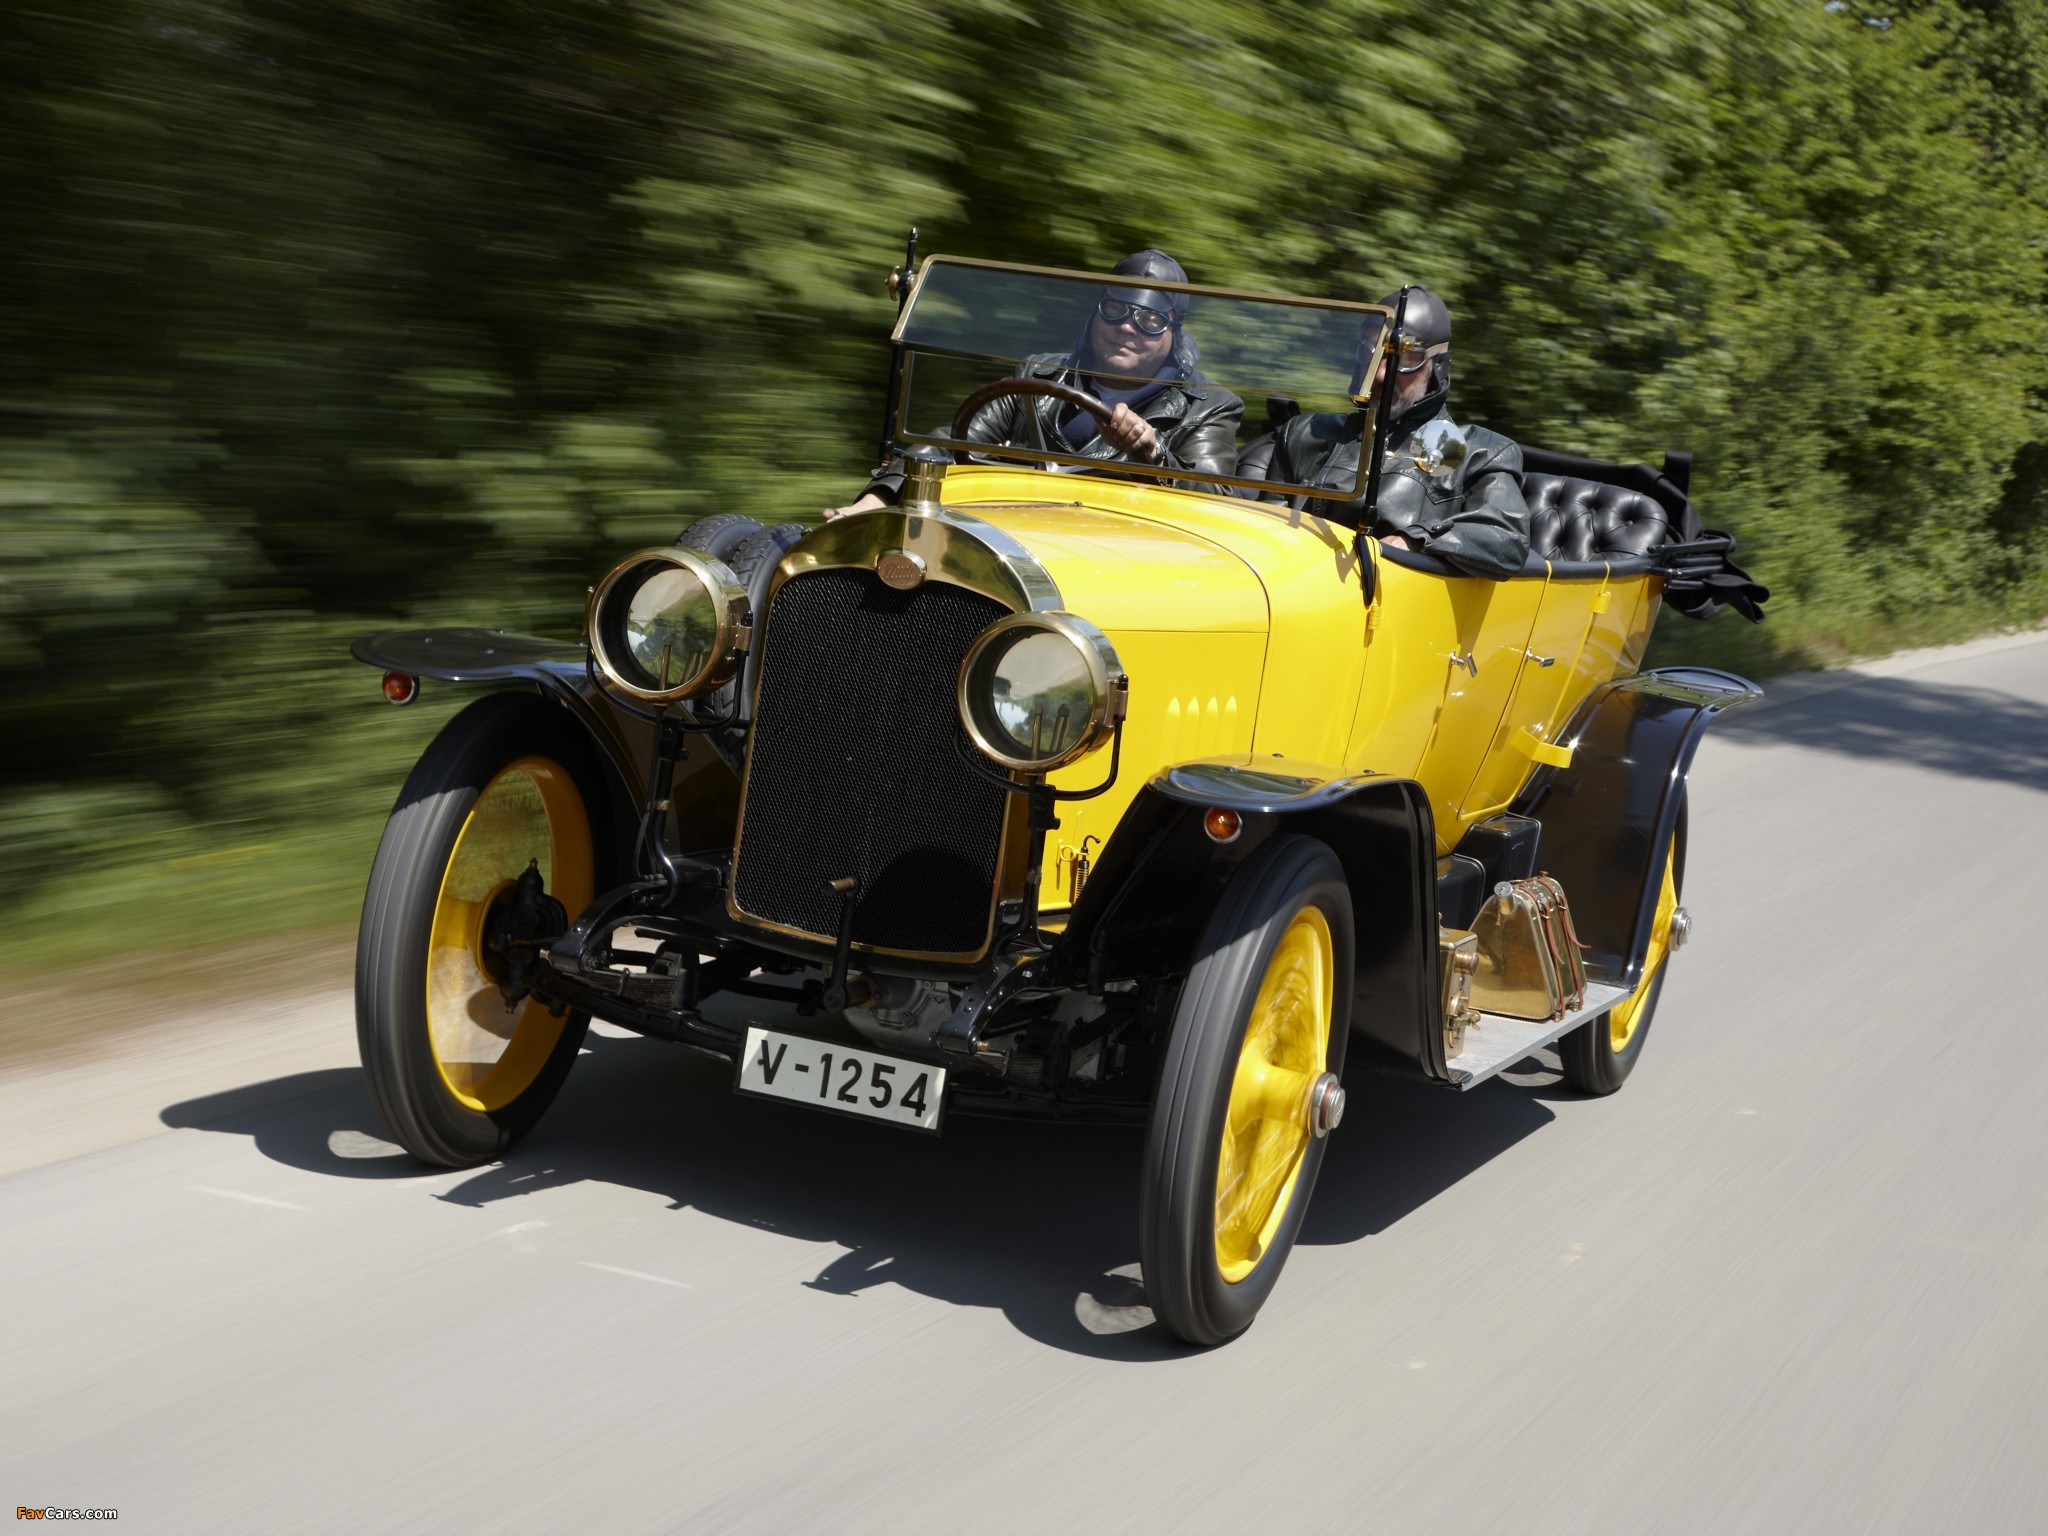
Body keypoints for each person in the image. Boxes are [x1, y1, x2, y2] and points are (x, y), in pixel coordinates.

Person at [828, 250, 1243, 517]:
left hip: (1127, 556)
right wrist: (878, 498)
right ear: (1095, 315)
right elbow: (952, 444)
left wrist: (1152, 455)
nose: (1127, 328)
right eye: (1115, 310)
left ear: (1173, 333)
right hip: (1017, 534)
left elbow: (1215, 502)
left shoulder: (1209, 406)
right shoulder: (1038, 374)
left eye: (1150, 320)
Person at [1263, 285, 1530, 579]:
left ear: (1437, 366)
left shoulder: (1481, 452)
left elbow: (1508, 541)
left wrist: (1416, 540)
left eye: (1405, 357)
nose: (1380, 373)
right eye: (1371, 350)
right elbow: (1262, 530)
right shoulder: (1305, 433)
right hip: (1293, 587)